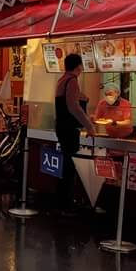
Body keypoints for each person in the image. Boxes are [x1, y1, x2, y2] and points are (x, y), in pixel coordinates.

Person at [54, 54, 94, 212]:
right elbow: (73, 107)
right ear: (78, 66)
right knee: (69, 167)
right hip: (69, 129)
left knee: (66, 165)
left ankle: (62, 202)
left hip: (61, 127)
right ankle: (65, 205)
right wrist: (89, 126)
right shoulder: (72, 81)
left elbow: (68, 101)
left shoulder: (62, 80)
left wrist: (82, 97)